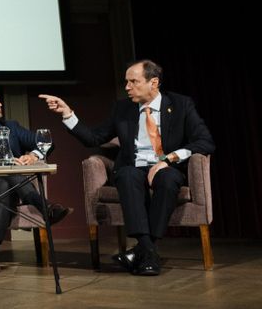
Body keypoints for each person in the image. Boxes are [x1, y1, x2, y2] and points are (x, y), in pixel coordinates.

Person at [40, 59, 215, 276]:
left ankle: (142, 251)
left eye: (133, 81)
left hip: (166, 166)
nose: (127, 87)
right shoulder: (123, 108)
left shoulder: (181, 105)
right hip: (133, 167)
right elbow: (94, 138)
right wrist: (67, 114)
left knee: (168, 179)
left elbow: (205, 141)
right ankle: (148, 252)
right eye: (126, 82)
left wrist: (168, 159)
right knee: (127, 176)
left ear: (153, 82)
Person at [0, 85, 72, 274]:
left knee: (2, 183)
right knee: (5, 170)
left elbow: (46, 142)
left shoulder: (12, 127)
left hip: (7, 183)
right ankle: (44, 206)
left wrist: (34, 155)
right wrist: (2, 161)